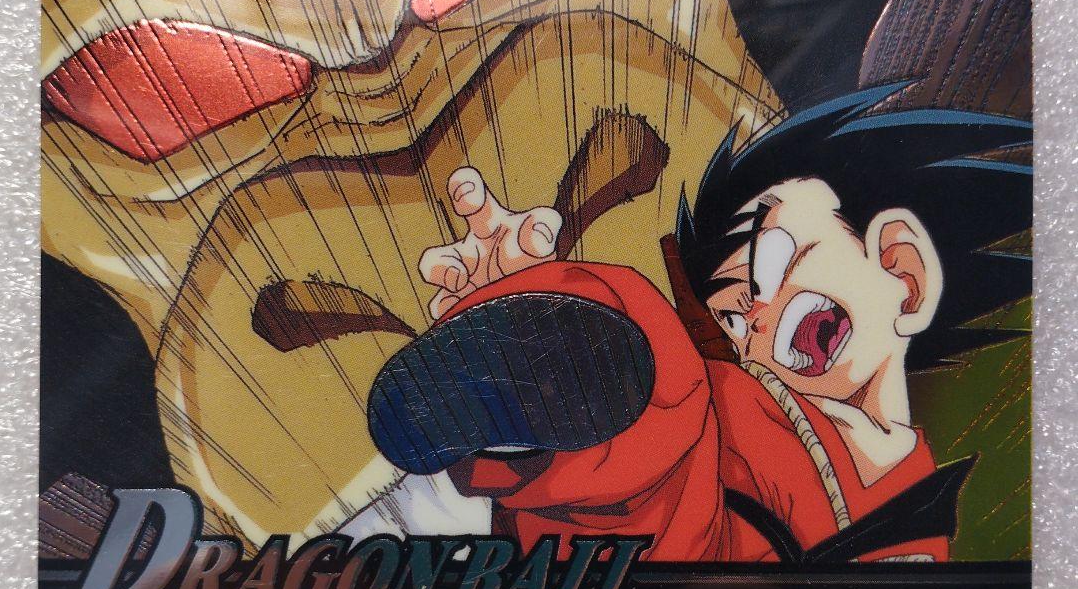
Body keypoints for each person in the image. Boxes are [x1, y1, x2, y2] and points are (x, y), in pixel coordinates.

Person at [379, 84, 1031, 562]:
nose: (753, 320)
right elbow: (657, 445)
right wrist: (542, 321)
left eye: (773, 263)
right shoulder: (738, 412)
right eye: (730, 317)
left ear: (901, 272)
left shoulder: (918, 521)